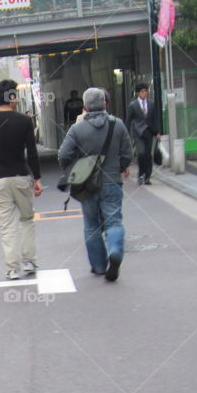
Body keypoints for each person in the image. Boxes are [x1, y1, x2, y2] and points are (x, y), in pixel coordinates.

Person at [59, 87, 134, 282]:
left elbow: (63, 154)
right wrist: (119, 167)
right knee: (114, 220)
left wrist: (74, 170)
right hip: (112, 181)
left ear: (84, 107)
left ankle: (99, 266)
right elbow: (127, 153)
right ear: (105, 104)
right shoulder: (117, 124)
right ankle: (115, 250)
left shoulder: (77, 129)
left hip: (87, 184)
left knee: (91, 225)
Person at [0, 79, 43, 280]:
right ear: (11, 97)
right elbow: (32, 153)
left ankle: (12, 268)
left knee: (6, 226)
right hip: (21, 177)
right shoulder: (24, 121)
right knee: (27, 219)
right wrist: (37, 178)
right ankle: (29, 261)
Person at [126, 82, 161, 185]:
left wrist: (157, 132)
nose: (144, 93)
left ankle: (147, 177)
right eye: (142, 91)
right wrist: (126, 133)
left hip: (149, 132)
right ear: (137, 93)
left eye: (146, 91)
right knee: (141, 153)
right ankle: (141, 174)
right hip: (138, 133)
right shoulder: (133, 105)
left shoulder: (151, 104)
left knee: (148, 155)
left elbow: (155, 119)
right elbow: (128, 120)